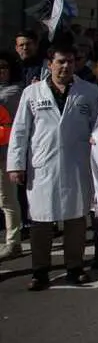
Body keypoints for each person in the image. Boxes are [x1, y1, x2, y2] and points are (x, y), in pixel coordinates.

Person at [5, 44, 98, 290]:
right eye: (60, 61)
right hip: (42, 165)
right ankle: (40, 271)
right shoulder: (32, 93)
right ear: (50, 64)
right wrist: (15, 165)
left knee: (76, 219)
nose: (66, 66)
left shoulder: (89, 92)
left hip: (76, 164)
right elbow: (19, 132)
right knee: (41, 221)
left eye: (70, 61)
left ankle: (75, 267)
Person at [0, 51, 23, 260]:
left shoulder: (13, 92)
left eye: (3, 67)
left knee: (7, 199)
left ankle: (13, 241)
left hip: (5, 152)